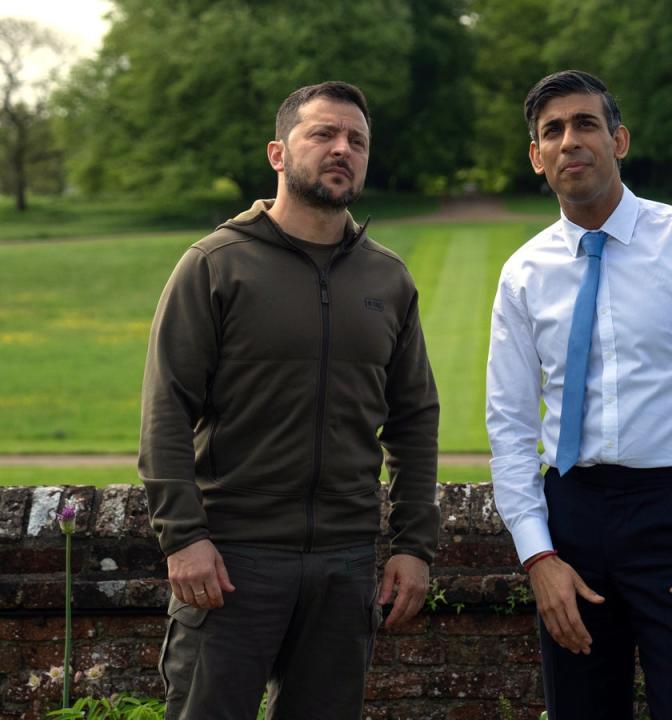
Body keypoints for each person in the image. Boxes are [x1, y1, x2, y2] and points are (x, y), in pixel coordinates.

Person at [139, 81, 440, 720]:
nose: (342, 149)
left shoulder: (387, 277)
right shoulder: (216, 264)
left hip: (346, 562)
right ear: (278, 153)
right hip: (231, 559)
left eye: (357, 140)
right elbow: (166, 408)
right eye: (323, 134)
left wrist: (414, 545)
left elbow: (413, 421)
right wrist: (183, 537)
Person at [486, 70, 672, 719]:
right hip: (573, 520)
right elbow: (507, 424)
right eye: (551, 131)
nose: (569, 142)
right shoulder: (524, 273)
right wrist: (538, 556)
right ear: (536, 156)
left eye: (585, 124)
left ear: (619, 139)